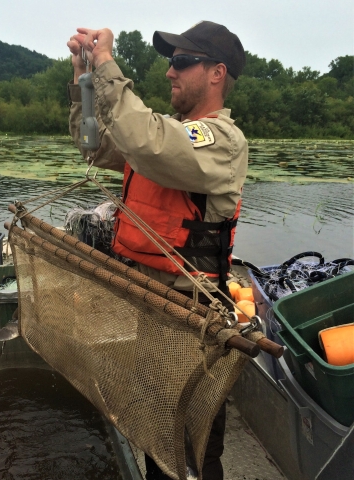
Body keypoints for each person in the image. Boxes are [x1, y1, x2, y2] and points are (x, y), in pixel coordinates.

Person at [67, 21, 248, 480]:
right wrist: (83, 79)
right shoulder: (167, 134)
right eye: (171, 61)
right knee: (154, 435)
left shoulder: (221, 142)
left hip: (192, 316)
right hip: (147, 306)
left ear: (216, 74)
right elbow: (97, 145)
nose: (170, 72)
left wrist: (107, 62)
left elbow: (146, 142)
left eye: (182, 61)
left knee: (192, 448)